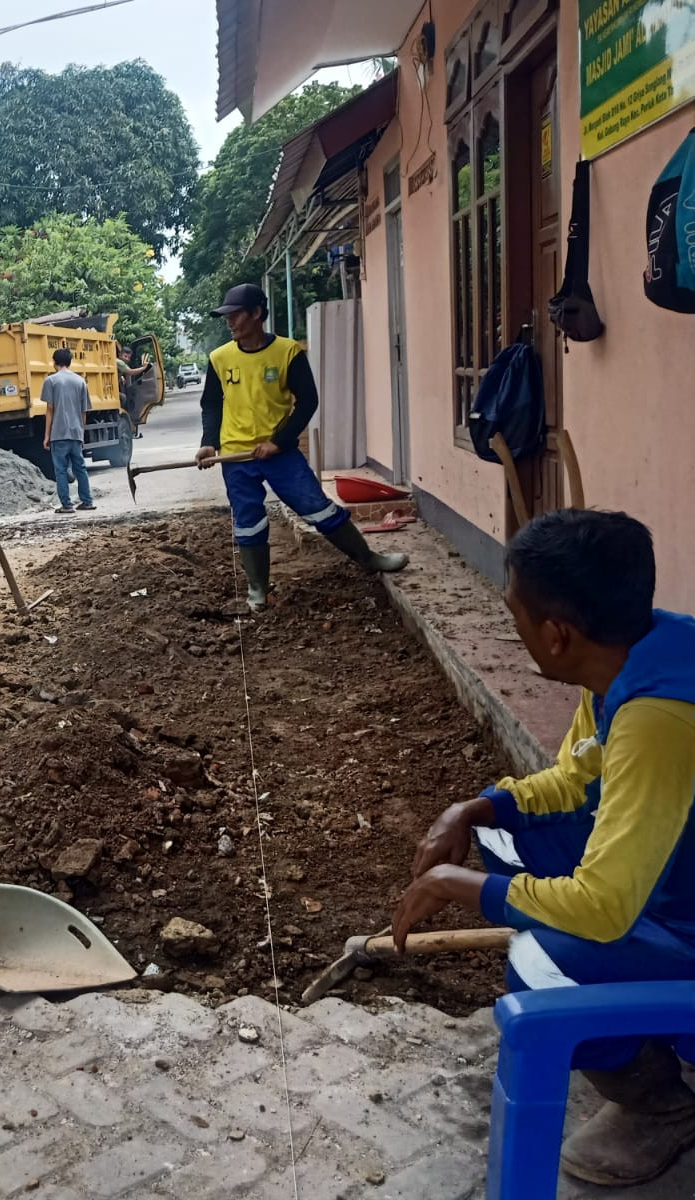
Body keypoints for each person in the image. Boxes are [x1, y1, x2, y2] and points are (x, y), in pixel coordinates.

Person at [394, 509, 695, 1188]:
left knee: (539, 963)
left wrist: (456, 886)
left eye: (515, 613)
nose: (514, 627)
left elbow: (604, 909)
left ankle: (660, 1105)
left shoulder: (659, 721)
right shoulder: (633, 660)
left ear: (557, 635)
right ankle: (636, 1022)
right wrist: (472, 809)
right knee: (502, 838)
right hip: (672, 876)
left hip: (678, 914)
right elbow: (574, 779)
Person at [195, 283, 406, 609]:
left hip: (279, 454)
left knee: (317, 507)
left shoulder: (287, 351)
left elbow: (308, 401)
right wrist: (209, 443)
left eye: (236, 315)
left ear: (256, 313)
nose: (229, 321)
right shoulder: (219, 358)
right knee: (248, 521)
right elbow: (211, 404)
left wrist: (278, 442)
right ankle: (257, 590)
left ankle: (367, 558)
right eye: (227, 316)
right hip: (236, 456)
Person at [42, 347, 94, 514]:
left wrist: (47, 435)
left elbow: (50, 409)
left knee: (61, 470)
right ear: (70, 361)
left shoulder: (51, 381)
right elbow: (84, 411)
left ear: (54, 361)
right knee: (81, 468)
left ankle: (67, 505)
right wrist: (81, 433)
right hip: (76, 432)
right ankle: (87, 501)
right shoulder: (80, 381)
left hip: (59, 433)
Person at [116, 346, 151, 439]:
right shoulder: (119, 362)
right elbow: (131, 372)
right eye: (125, 356)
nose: (127, 359)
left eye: (129, 357)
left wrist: (121, 377)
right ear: (120, 355)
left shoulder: (117, 362)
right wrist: (144, 368)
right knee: (123, 398)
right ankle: (121, 416)